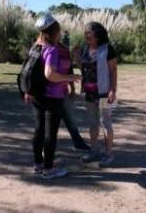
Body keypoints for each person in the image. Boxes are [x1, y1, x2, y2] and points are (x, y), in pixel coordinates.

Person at [24, 14, 81, 179]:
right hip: (52, 97)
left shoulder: (36, 47)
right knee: (50, 133)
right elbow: (50, 74)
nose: (60, 33)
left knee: (39, 130)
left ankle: (38, 164)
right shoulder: (52, 49)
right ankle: (48, 170)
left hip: (37, 95)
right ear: (53, 32)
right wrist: (70, 78)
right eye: (59, 30)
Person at [76, 22, 118, 167]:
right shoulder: (84, 49)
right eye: (85, 34)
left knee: (106, 123)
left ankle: (108, 154)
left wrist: (113, 90)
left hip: (104, 93)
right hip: (89, 92)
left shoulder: (108, 49)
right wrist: (76, 56)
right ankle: (94, 150)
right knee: (93, 123)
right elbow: (83, 68)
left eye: (89, 34)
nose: (86, 36)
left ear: (98, 35)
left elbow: (113, 70)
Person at [58, 42, 91, 151]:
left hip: (63, 92)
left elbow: (69, 70)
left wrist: (72, 88)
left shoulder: (64, 49)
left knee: (70, 118)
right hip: (49, 93)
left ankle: (78, 142)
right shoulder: (46, 48)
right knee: (50, 122)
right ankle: (45, 149)